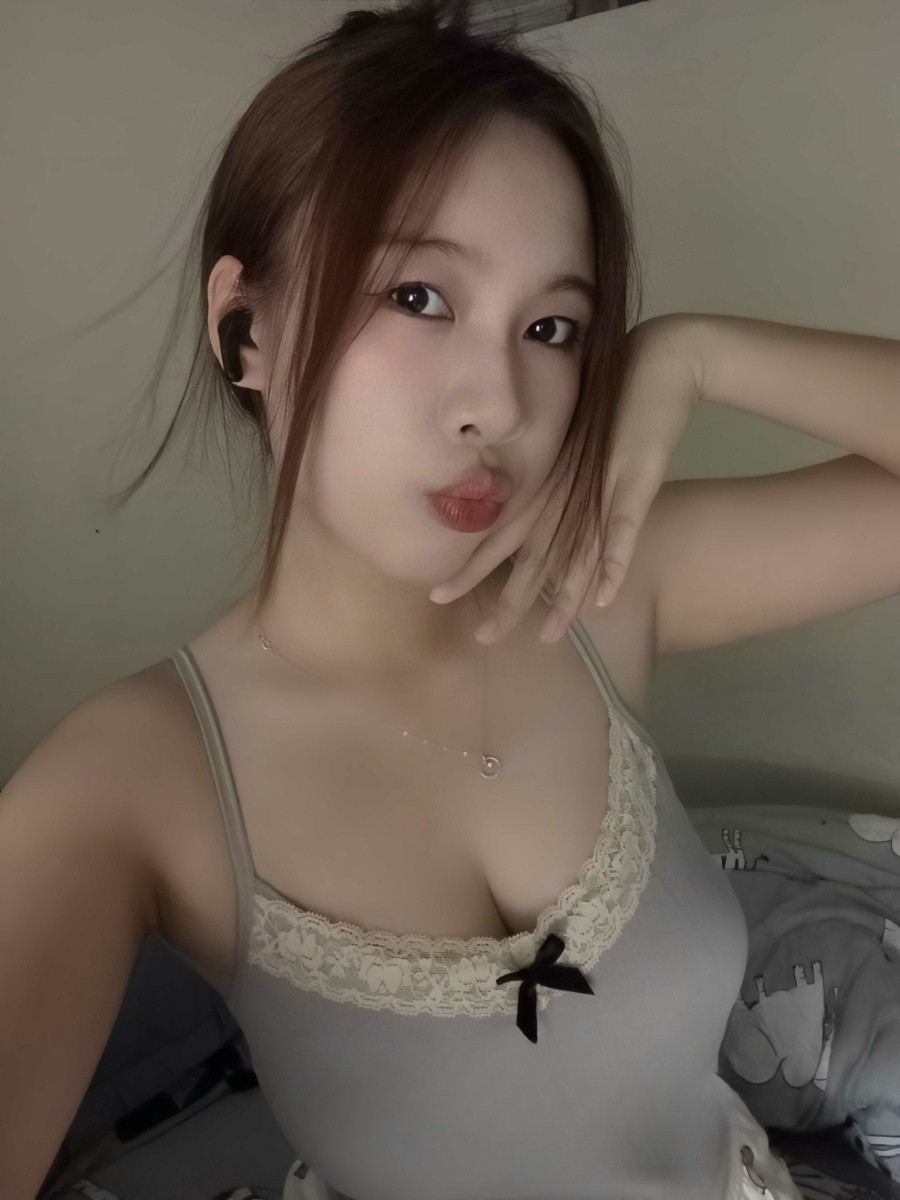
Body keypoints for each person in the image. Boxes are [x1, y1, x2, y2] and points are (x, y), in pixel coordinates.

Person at [3, 2, 899, 1198]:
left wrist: (695, 353)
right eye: (419, 298)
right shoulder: (131, 780)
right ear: (245, 329)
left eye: (554, 327)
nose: (501, 404)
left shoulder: (601, 582)